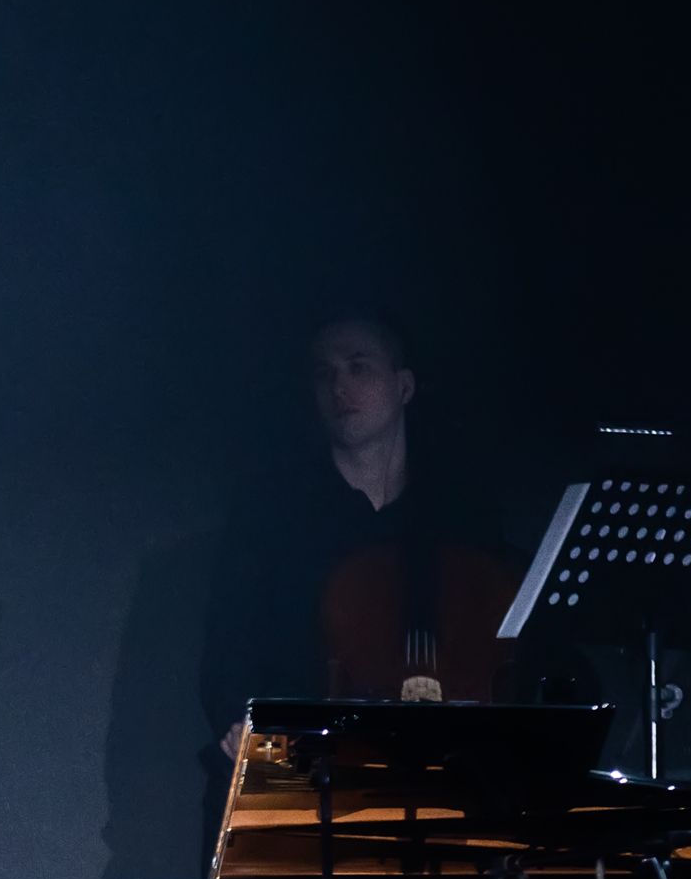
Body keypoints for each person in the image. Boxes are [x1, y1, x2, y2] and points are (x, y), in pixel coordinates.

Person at [199, 311, 521, 766]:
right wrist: (238, 720)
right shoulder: (273, 513)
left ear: (403, 386)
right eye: (324, 373)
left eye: (358, 366)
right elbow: (231, 641)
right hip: (313, 755)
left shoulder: (459, 516)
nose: (339, 386)